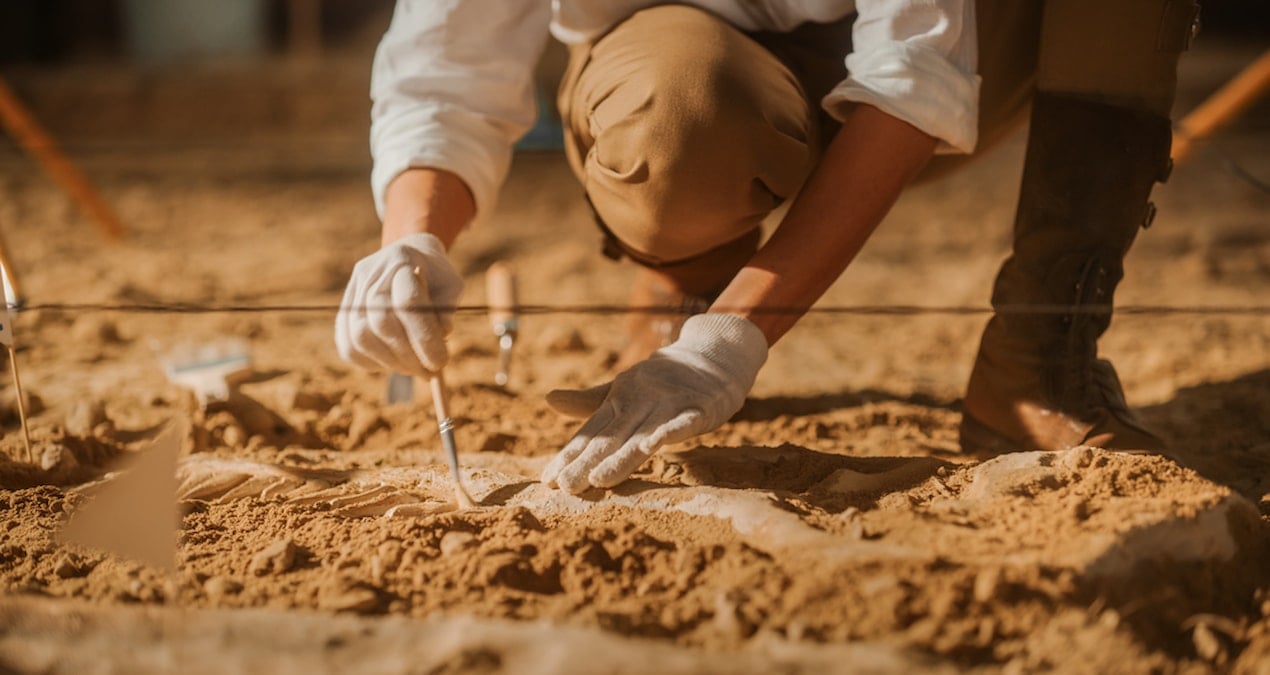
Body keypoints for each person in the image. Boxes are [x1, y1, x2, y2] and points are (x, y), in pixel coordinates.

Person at [336, 0, 1199, 495]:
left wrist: (732, 340)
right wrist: (413, 238)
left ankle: (1040, 347)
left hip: (958, 59)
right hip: (689, 68)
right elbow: (446, 65)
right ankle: (684, 278)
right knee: (679, 110)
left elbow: (914, 77)